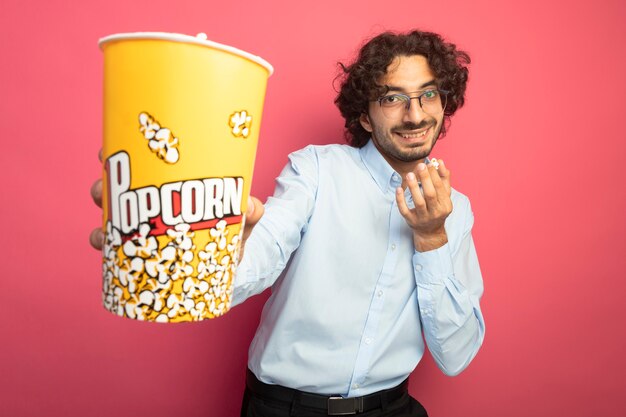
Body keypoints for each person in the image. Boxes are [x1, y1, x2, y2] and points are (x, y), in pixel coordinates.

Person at [90, 29, 485, 417]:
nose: (415, 114)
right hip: (286, 408)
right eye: (392, 98)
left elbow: (455, 355)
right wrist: (190, 245)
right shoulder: (315, 170)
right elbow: (258, 255)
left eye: (428, 94)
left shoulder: (458, 210)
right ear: (365, 116)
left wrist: (431, 236)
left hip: (392, 407)